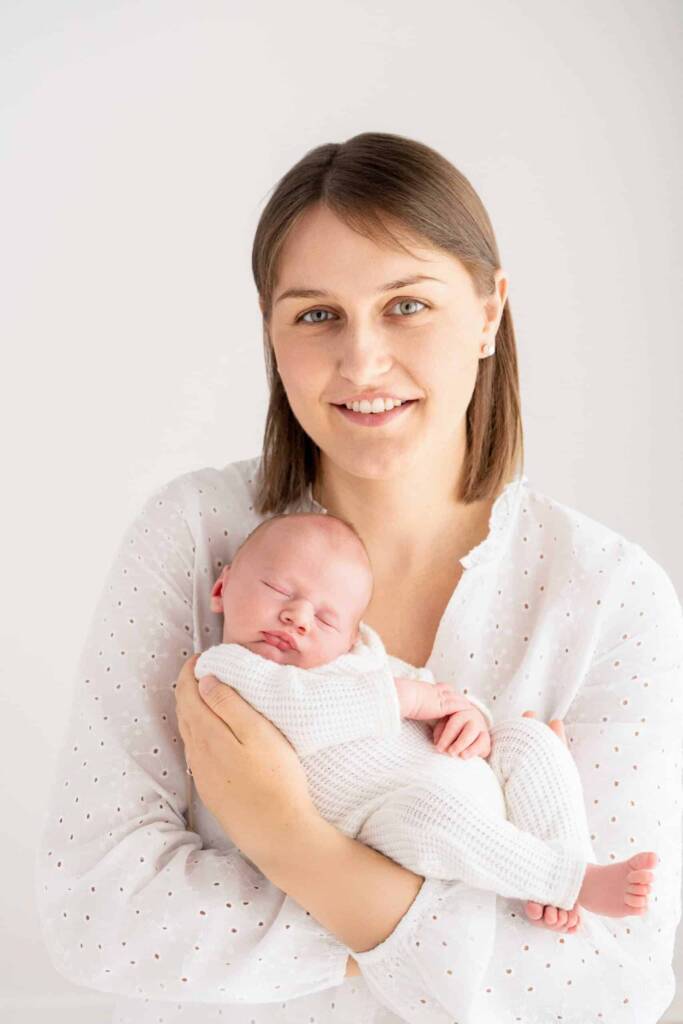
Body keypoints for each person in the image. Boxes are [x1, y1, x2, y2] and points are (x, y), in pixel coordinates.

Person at [35, 132, 683, 1024]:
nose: (361, 363)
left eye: (406, 305)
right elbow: (97, 912)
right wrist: (456, 931)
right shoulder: (194, 538)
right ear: (270, 328)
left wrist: (289, 841)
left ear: (490, 311)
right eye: (315, 315)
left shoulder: (610, 597)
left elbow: (612, 991)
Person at [189, 508, 658, 931]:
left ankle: (567, 859)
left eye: (327, 619)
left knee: (527, 738)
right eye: (278, 589)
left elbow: (432, 692)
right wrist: (408, 700)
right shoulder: (228, 669)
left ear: (353, 635)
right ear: (222, 588)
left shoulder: (364, 658)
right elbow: (305, 714)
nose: (297, 617)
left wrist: (467, 716)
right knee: (431, 818)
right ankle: (570, 879)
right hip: (390, 816)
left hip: (467, 775)